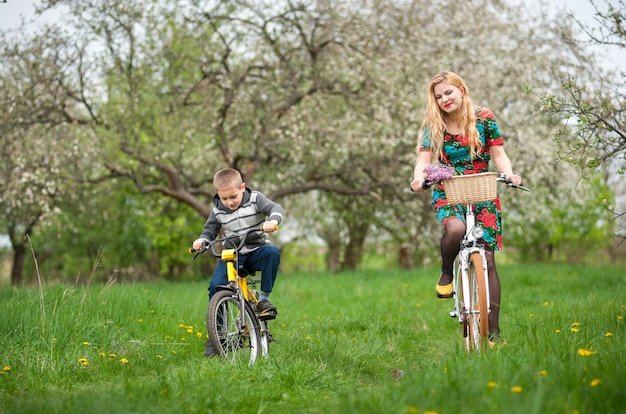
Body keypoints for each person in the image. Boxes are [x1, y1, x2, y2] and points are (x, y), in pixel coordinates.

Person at [410, 71, 522, 345]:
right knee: (456, 228)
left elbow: (498, 154)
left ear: (461, 90)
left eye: (448, 92)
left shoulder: (484, 118)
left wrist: (509, 174)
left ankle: (493, 334)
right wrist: (418, 178)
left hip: (482, 188)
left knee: (488, 260)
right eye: (438, 96)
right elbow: (423, 160)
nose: (444, 99)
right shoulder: (434, 124)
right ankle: (447, 271)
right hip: (449, 188)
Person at [192, 168, 284, 357]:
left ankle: (263, 302)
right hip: (232, 255)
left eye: (233, 196)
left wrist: (272, 221)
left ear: (243, 187)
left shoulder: (255, 199)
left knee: (272, 252)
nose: (229, 202)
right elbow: (209, 230)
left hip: (256, 250)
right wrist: (201, 241)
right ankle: (218, 335)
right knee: (216, 286)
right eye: (224, 198)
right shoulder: (218, 209)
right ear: (218, 195)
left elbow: (275, 208)